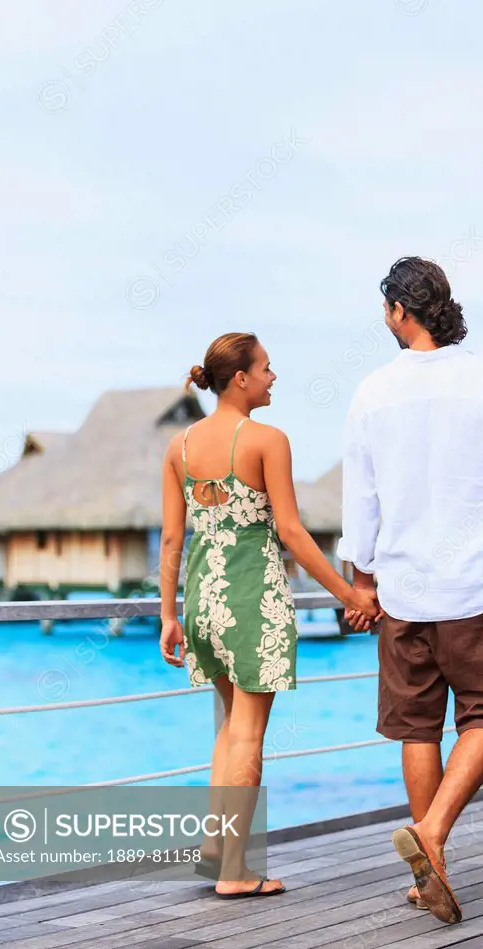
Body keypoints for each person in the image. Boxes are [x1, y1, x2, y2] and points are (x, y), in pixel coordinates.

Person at [338, 257, 483, 924]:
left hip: (405, 591)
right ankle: (433, 838)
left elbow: (362, 500)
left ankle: (430, 864)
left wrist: (362, 581)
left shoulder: (371, 394)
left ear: (398, 313)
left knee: (418, 728)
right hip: (480, 587)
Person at [159, 331, 380, 899]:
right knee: (250, 736)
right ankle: (235, 870)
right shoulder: (267, 441)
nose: (273, 377)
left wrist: (168, 616)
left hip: (202, 604)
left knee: (232, 725)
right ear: (240, 378)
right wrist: (347, 595)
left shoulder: (179, 448)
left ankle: (215, 849)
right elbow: (291, 533)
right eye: (266, 368)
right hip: (253, 603)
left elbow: (170, 540)